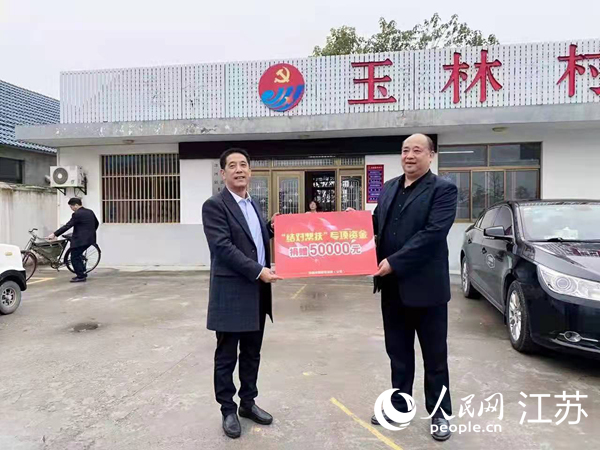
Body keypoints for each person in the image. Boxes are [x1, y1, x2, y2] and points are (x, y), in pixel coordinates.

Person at [353, 134, 458, 441]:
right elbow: (376, 224)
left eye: (417, 150)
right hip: (392, 289)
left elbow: (433, 234)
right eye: (405, 150)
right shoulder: (388, 188)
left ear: (431, 155)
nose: (410, 156)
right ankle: (399, 407)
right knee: (398, 355)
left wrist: (394, 262)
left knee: (434, 357)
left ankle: (440, 413)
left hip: (427, 290)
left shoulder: (443, 190)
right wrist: (352, 225)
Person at [202, 148, 281, 439]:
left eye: (243, 164)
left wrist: (271, 228)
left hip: (257, 292)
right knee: (226, 356)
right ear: (223, 173)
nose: (239, 169)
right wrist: (258, 270)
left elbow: (252, 239)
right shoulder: (214, 206)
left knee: (252, 353)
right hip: (231, 292)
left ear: (250, 171)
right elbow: (223, 247)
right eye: (232, 166)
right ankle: (228, 409)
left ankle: (248, 402)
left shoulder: (253, 203)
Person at [47, 198, 99, 283]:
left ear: (76, 205)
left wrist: (55, 234)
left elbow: (68, 226)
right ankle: (83, 272)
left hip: (81, 240)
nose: (71, 208)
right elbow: (96, 223)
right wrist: (90, 232)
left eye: (71, 207)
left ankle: (81, 276)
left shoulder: (77, 214)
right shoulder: (90, 212)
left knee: (74, 257)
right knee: (78, 255)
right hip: (90, 238)